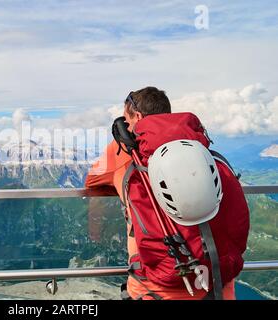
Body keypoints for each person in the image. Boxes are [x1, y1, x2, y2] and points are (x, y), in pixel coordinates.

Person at [85, 87, 249, 300]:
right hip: (218, 284)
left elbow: (92, 180)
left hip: (156, 290)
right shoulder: (201, 149)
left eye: (126, 119)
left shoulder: (126, 155)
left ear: (137, 117)